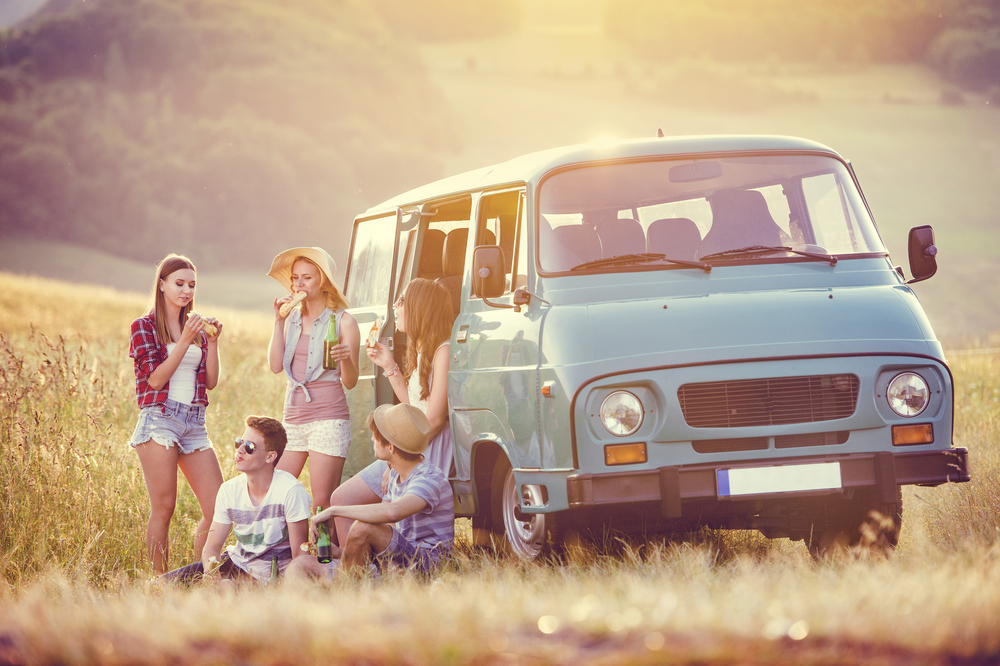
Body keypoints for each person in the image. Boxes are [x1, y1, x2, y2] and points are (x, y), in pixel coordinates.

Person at [328, 278, 454, 546]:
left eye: (401, 301)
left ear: (420, 308)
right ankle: (362, 566)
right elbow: (415, 409)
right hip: (409, 448)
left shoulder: (444, 351)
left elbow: (432, 419)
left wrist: (394, 462)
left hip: (422, 452)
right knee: (341, 498)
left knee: (343, 500)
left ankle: (365, 567)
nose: (395, 307)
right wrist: (389, 366)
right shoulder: (424, 351)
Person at [128, 253, 224, 574]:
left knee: (218, 507)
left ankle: (200, 576)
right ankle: (161, 584)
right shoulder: (143, 327)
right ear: (162, 284)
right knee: (164, 507)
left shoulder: (195, 326)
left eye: (192, 285)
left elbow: (210, 381)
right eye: (180, 283)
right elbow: (155, 379)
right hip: (160, 419)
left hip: (195, 422)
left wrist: (212, 342)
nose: (186, 290)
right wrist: (183, 340)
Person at [288, 403, 454, 578]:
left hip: (427, 564)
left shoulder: (429, 478)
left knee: (364, 527)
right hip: (395, 562)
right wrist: (345, 552)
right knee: (299, 565)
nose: (372, 439)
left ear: (390, 447)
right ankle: (346, 584)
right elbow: (387, 532)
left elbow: (392, 513)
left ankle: (346, 585)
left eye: (376, 435)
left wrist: (334, 511)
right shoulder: (395, 475)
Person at [162, 415, 312, 583]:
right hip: (235, 564)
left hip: (273, 576)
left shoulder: (291, 491)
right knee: (159, 585)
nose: (239, 450)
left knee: (229, 588)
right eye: (239, 442)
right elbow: (212, 547)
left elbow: (300, 557)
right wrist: (211, 574)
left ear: (270, 457)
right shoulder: (229, 490)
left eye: (249, 447)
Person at [266, 247, 360, 513]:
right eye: (295, 277)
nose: (299, 284)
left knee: (321, 503)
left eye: (306, 277)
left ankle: (325, 555)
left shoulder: (344, 323)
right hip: (294, 418)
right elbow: (275, 366)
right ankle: (288, 553)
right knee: (277, 493)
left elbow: (350, 381)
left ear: (323, 281)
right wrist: (277, 321)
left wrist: (346, 358)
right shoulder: (292, 318)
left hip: (328, 419)